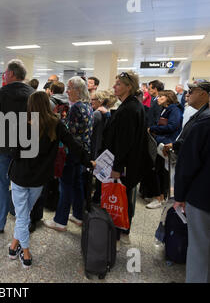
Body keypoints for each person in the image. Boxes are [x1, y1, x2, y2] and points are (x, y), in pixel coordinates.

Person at [8, 91, 94, 268]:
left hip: (20, 176)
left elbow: (14, 153)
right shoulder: (56, 124)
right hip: (39, 178)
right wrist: (88, 160)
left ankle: (24, 253)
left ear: (30, 105)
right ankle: (14, 246)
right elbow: (73, 144)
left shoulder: (22, 123)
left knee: (22, 215)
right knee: (25, 213)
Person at [0, 59, 35, 233]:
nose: (4, 75)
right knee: (24, 186)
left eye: (5, 72)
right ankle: (24, 223)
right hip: (27, 148)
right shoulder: (34, 95)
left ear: (11, 74)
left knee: (2, 185)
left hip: (2, 148)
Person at [100, 71, 148, 248]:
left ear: (129, 87)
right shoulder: (131, 105)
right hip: (128, 163)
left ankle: (120, 232)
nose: (114, 86)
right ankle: (121, 230)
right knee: (123, 197)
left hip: (124, 164)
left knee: (120, 199)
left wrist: (117, 166)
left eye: (119, 84)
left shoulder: (129, 109)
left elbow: (124, 142)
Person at [44, 76, 93, 232]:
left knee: (65, 186)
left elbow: (68, 132)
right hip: (82, 151)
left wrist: (59, 122)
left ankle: (60, 221)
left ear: (78, 91)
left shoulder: (76, 107)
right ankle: (78, 215)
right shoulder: (88, 105)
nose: (67, 91)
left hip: (71, 152)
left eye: (70, 88)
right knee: (77, 184)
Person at [173, 109, 210, 283]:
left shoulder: (204, 125)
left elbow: (188, 164)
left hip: (202, 198)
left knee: (199, 248)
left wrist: (179, 195)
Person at [146, 90, 183, 209]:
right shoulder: (166, 109)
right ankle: (159, 197)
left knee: (160, 171)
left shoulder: (174, 110)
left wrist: (153, 129)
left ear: (168, 97)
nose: (158, 98)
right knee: (158, 170)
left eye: (161, 96)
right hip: (161, 142)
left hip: (166, 144)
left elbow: (172, 126)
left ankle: (159, 198)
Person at [163, 81, 210, 156]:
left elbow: (195, 144)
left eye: (190, 92)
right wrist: (175, 145)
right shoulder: (199, 113)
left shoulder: (205, 118)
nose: (187, 95)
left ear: (203, 94)